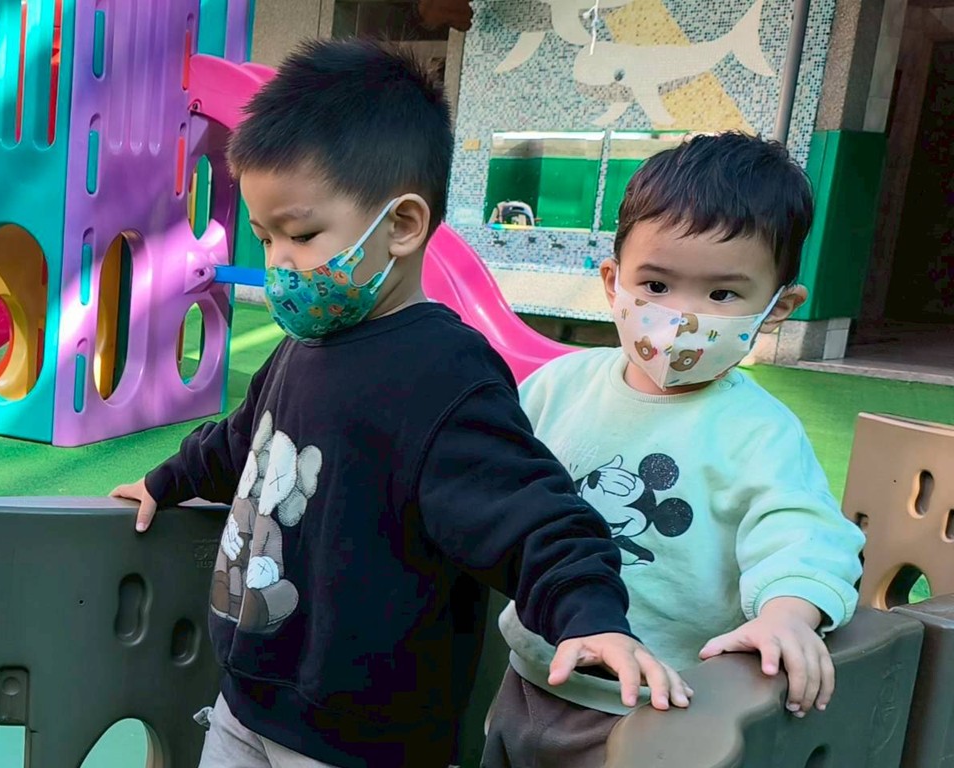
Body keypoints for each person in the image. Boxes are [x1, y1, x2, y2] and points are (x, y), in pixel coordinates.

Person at [111, 38, 689, 768]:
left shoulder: (444, 375)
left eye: (301, 234)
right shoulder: (302, 346)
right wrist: (168, 479)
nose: (279, 262)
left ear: (403, 225)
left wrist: (589, 614)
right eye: (264, 237)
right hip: (248, 699)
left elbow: (531, 513)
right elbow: (243, 440)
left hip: (362, 739)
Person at [482, 132, 865, 768]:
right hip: (528, 676)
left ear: (777, 307)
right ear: (613, 282)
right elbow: (491, 481)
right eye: (656, 285)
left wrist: (788, 615)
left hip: (659, 709)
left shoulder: (758, 432)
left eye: (722, 295)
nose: (682, 317)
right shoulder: (557, 387)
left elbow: (802, 533)